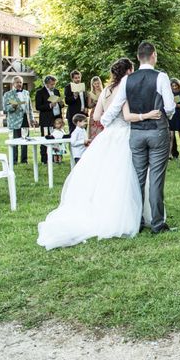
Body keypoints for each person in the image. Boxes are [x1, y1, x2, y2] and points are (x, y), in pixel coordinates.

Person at [37, 58, 164, 250]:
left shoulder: (105, 90)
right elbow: (127, 116)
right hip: (124, 136)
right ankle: (125, 215)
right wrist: (148, 115)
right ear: (129, 71)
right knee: (126, 176)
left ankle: (103, 209)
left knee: (103, 176)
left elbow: (96, 117)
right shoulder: (124, 90)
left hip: (107, 136)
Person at [101, 42, 176, 234]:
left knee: (138, 178)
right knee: (156, 178)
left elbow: (116, 106)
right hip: (157, 131)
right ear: (154, 55)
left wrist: (105, 120)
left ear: (138, 57)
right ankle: (157, 224)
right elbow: (169, 107)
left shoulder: (127, 80)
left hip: (135, 133)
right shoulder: (161, 77)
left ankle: (137, 220)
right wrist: (167, 115)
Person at [4, 76, 36, 163]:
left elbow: (29, 107)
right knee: (15, 141)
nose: (19, 84)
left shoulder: (26, 93)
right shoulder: (8, 94)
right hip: (14, 120)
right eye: (17, 82)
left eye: (20, 82)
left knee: (25, 139)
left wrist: (32, 119)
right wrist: (12, 106)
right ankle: (14, 160)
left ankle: (24, 160)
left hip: (25, 119)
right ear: (13, 84)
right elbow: (5, 108)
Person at [36, 75, 64, 164]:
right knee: (46, 138)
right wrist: (49, 105)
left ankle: (57, 158)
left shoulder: (56, 91)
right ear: (46, 84)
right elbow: (38, 107)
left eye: (54, 84)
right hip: (46, 119)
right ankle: (45, 159)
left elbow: (61, 105)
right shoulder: (40, 92)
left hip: (57, 118)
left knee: (57, 138)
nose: (53, 86)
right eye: (51, 84)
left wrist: (61, 103)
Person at [65, 70, 89, 135]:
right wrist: (74, 96)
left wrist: (86, 107)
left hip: (83, 113)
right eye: (76, 78)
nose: (78, 79)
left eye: (79, 77)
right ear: (72, 78)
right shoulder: (68, 87)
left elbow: (85, 98)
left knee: (83, 132)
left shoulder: (83, 86)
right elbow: (67, 101)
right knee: (73, 133)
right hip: (73, 114)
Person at [87, 76, 104, 141]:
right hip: (94, 112)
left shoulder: (103, 92)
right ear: (92, 84)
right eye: (95, 84)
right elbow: (89, 105)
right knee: (94, 130)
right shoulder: (91, 94)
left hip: (102, 112)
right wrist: (94, 102)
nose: (97, 85)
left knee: (102, 129)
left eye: (98, 83)